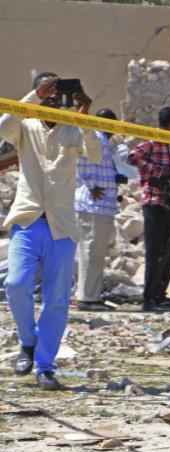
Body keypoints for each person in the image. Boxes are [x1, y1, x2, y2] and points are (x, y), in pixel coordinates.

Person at [1, 73, 99, 390]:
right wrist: (32, 98)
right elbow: (2, 131)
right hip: (28, 220)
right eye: (47, 87)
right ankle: (28, 342)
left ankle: (45, 365)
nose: (54, 94)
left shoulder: (73, 125)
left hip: (62, 226)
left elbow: (96, 154)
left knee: (56, 300)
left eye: (58, 88)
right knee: (16, 284)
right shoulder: (26, 124)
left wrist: (85, 112)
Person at [127, 106, 170, 312]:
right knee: (154, 253)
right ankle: (149, 298)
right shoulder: (152, 141)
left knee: (168, 253)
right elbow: (132, 157)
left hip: (166, 203)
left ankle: (160, 294)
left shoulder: (166, 145)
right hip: (153, 203)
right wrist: (155, 172)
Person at [74, 108, 122, 312]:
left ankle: (88, 295)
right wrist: (90, 184)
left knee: (89, 252)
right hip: (94, 205)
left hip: (97, 205)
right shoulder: (98, 139)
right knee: (91, 252)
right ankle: (88, 298)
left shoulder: (98, 140)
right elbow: (81, 164)